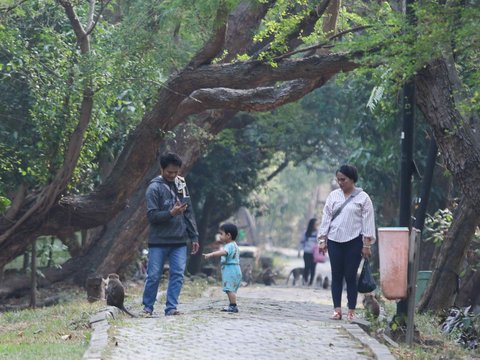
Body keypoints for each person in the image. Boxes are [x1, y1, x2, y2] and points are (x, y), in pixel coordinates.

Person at [141, 152, 199, 316]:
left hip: (179, 240)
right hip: (158, 241)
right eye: (169, 172)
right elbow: (152, 216)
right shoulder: (154, 188)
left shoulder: (181, 184)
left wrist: (194, 236)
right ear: (162, 169)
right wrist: (171, 213)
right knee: (153, 276)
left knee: (178, 274)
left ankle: (171, 307)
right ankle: (147, 307)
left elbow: (189, 212)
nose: (173, 175)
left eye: (176, 172)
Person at [317, 165, 375, 322]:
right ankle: (337, 310)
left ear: (352, 179)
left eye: (343, 179)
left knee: (350, 276)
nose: (340, 183)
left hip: (354, 241)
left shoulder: (363, 198)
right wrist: (322, 240)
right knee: (336, 275)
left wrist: (366, 244)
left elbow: (368, 222)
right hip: (335, 240)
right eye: (338, 180)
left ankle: (351, 310)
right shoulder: (333, 196)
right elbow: (326, 218)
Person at [203, 223, 242, 313]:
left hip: (230, 270)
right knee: (231, 289)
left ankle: (233, 306)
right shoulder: (234, 245)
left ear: (228, 235)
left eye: (221, 234)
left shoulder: (229, 246)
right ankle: (232, 304)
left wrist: (211, 254)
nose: (220, 236)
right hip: (236, 269)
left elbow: (224, 252)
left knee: (229, 289)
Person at [298, 218, 320, 286]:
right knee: (307, 267)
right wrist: (299, 251)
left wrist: (322, 251)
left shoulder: (318, 232)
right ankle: (305, 280)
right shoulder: (305, 233)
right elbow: (302, 242)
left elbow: (321, 242)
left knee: (313, 268)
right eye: (315, 224)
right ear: (312, 224)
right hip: (307, 252)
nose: (316, 225)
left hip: (315, 253)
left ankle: (311, 282)